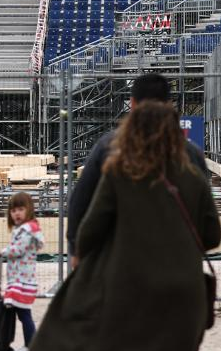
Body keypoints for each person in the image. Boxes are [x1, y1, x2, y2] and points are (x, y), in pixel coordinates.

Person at [21, 101, 221, 351]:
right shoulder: (194, 177)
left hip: (130, 289)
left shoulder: (119, 173)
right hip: (184, 294)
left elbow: (89, 230)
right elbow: (212, 236)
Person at [66, 71, 209, 265]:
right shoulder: (190, 154)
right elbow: (209, 228)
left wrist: (76, 251)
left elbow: (80, 204)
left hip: (122, 266)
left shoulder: (110, 148)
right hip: (177, 268)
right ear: (168, 105)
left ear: (132, 104)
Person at [0, 192, 44, 351]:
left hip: (22, 282)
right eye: (13, 210)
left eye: (21, 209)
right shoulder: (21, 229)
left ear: (29, 210)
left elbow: (18, 250)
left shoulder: (28, 231)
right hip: (18, 280)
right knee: (12, 312)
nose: (17, 213)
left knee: (24, 314)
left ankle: (31, 347)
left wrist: (2, 252)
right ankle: (6, 345)